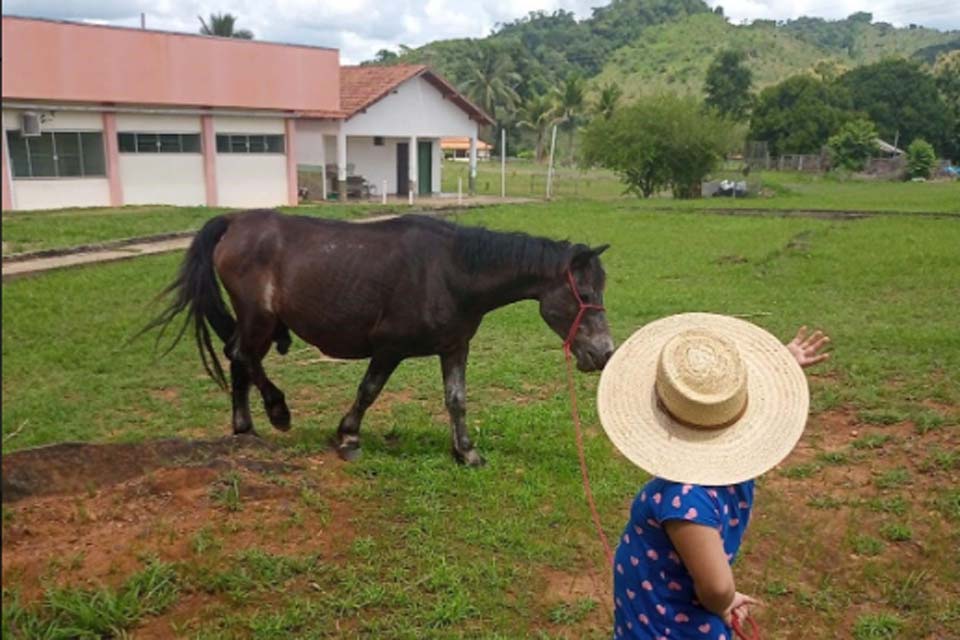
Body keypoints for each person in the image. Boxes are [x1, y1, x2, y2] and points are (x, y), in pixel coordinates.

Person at [596, 315, 830, 640]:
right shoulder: (734, 469)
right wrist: (781, 367)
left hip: (666, 628)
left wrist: (725, 600)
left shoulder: (685, 496)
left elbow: (717, 585)